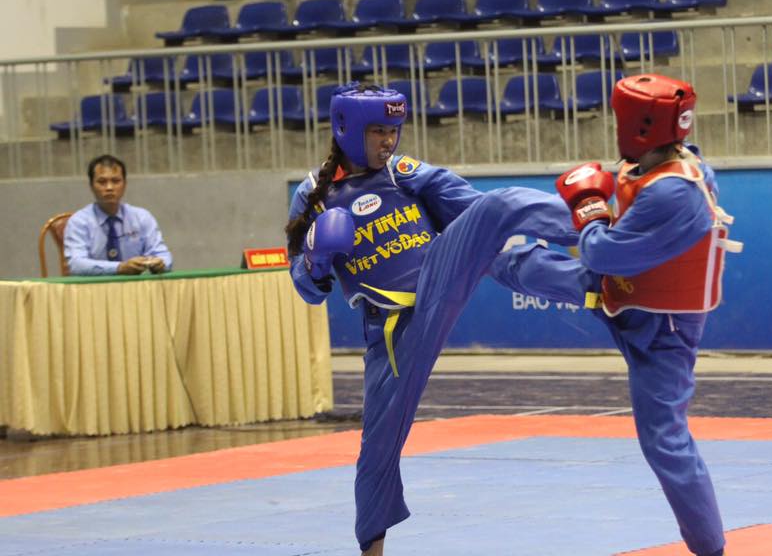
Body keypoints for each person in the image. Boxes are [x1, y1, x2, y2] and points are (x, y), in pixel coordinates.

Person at [284, 83, 589, 555]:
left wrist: (506, 231)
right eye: (378, 131)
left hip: (438, 275)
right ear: (346, 130)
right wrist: (316, 257)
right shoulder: (314, 197)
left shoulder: (404, 173)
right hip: (389, 330)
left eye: (394, 130)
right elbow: (307, 289)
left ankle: (601, 248)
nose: (389, 141)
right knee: (378, 449)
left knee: (497, 215)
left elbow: (472, 209)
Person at [496, 74, 739, 556]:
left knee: (664, 440)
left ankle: (711, 550)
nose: (615, 129)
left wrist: (590, 207)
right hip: (623, 295)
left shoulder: (676, 192)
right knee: (530, 259)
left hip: (663, 328)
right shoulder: (651, 163)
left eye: (619, 120)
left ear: (639, 125)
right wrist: (587, 208)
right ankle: (465, 245)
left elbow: (601, 252)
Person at [63, 154, 172, 276]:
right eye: (102, 182)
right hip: (94, 286)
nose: (109, 187)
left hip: (136, 286)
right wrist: (119, 268)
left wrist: (161, 264)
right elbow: (76, 265)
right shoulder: (79, 221)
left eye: (115, 181)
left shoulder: (142, 217)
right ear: (91, 186)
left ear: (125, 184)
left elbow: (164, 256)